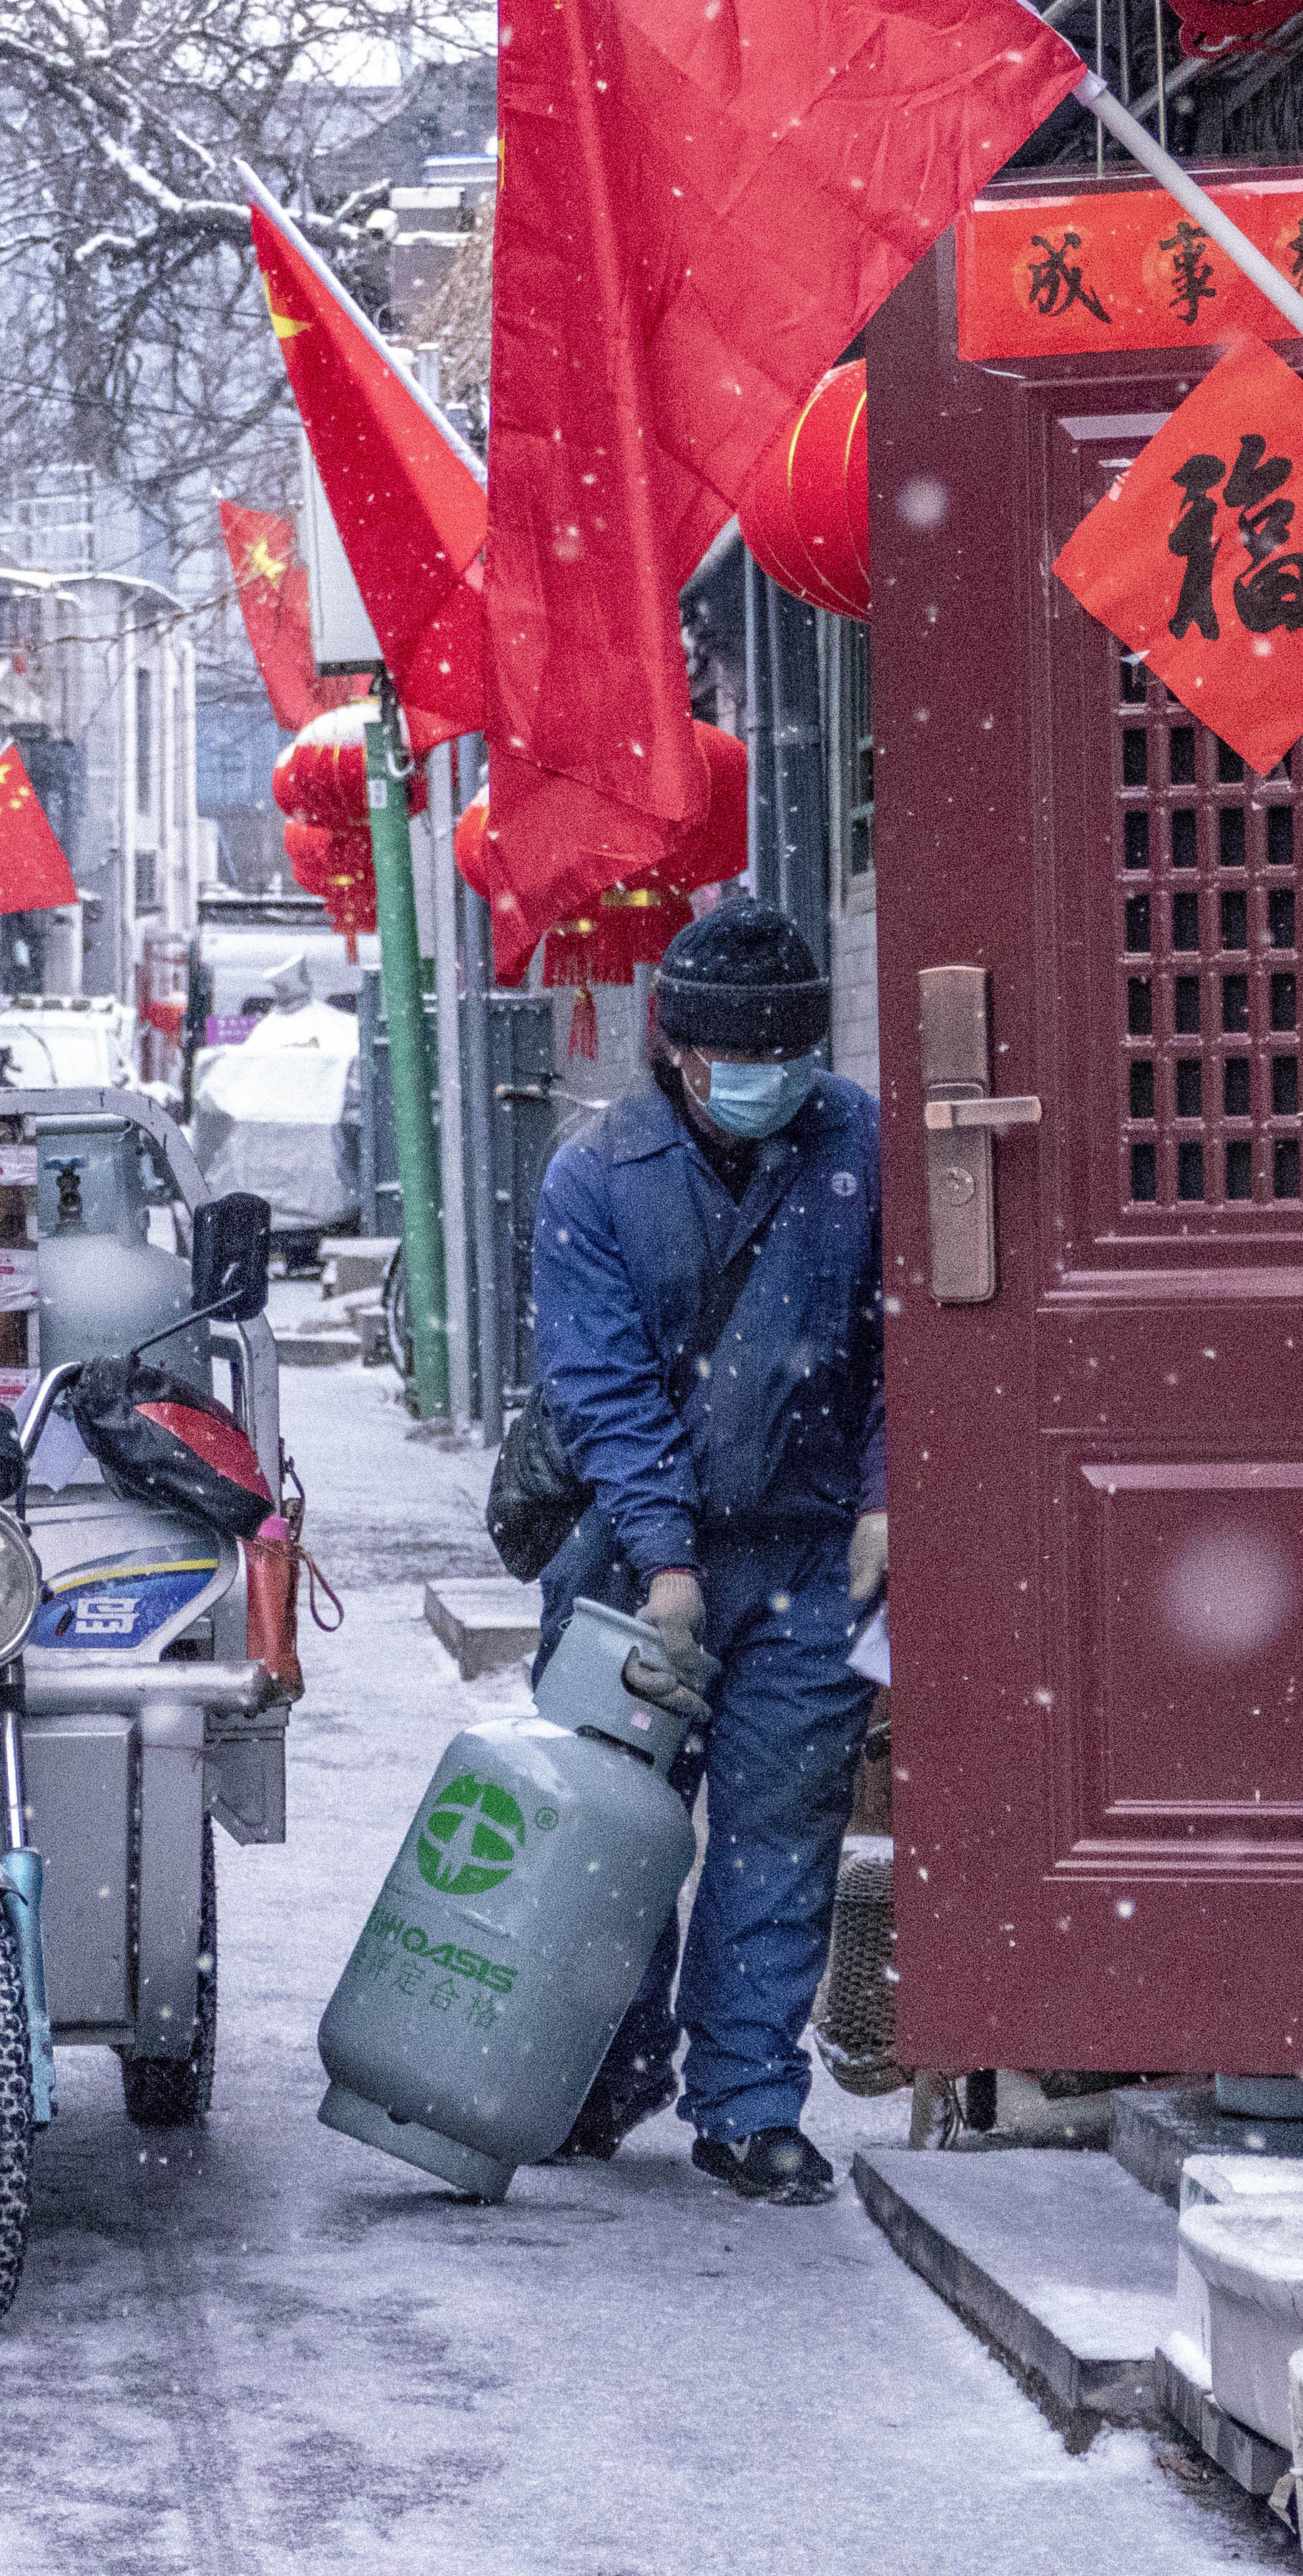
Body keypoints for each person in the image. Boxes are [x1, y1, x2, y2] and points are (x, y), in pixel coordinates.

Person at [528, 898, 887, 2206]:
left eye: (794, 1054)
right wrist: (664, 1558)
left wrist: (885, 1494)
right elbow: (601, 1387)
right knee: (617, 1828)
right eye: (745, 1058)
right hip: (630, 1565)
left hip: (809, 1557)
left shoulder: (860, 1144)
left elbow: (917, 1337)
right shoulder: (594, 1177)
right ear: (679, 1054)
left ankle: (745, 2102)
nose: (772, 1081)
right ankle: (600, 2067)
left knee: (776, 1829)